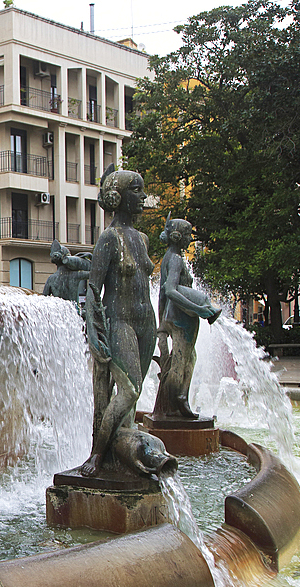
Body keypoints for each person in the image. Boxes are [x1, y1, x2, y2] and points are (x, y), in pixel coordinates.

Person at [81, 165, 156, 477]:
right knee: (130, 390)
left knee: (132, 399)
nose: (142, 196)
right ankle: (96, 456)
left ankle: (122, 452)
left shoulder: (142, 239)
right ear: (118, 196)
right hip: (120, 322)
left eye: (141, 189)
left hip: (146, 322)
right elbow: (92, 289)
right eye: (136, 190)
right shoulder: (109, 239)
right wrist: (93, 329)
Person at [153, 217, 220, 419]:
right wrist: (199, 308)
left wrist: (162, 322)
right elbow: (170, 291)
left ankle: (180, 398)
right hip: (181, 317)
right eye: (188, 234)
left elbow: (163, 294)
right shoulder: (175, 259)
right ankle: (173, 407)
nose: (190, 238)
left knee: (189, 358)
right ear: (177, 236)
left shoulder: (169, 257)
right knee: (180, 362)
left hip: (175, 316)